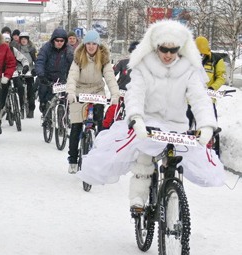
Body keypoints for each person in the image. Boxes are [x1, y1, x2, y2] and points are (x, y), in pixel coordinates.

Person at [77, 20, 225, 211]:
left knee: (176, 159)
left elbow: (199, 98)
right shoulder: (143, 66)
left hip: (176, 124)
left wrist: (206, 125)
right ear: (156, 47)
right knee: (145, 156)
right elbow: (135, 93)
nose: (168, 55)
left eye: (174, 50)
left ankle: (172, 203)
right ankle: (138, 198)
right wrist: (136, 118)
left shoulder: (188, 69)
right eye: (164, 49)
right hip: (149, 122)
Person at [66, 30, 120, 174]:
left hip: (97, 91)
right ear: (84, 44)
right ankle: (72, 160)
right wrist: (71, 92)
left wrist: (115, 95)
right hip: (79, 91)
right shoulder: (78, 57)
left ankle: (100, 156)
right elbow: (72, 76)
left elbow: (110, 77)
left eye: (93, 44)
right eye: (88, 43)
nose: (90, 47)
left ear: (98, 45)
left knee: (100, 123)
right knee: (76, 126)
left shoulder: (103, 58)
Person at [194, 36, 226, 157]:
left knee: (210, 126)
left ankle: (212, 151)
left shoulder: (216, 59)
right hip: (189, 101)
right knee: (185, 126)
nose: (201, 55)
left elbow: (221, 77)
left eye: (203, 53)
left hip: (207, 99)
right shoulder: (189, 59)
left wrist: (212, 88)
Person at [34, 28, 74, 115]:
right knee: (44, 93)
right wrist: (41, 74)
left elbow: (75, 64)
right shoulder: (46, 48)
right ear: (53, 40)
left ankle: (65, 117)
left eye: (62, 40)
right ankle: (44, 110)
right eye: (57, 40)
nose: (59, 42)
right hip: (48, 78)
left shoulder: (69, 50)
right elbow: (40, 61)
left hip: (63, 79)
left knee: (67, 99)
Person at [102, 41, 139, 129]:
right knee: (114, 108)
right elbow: (111, 73)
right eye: (133, 51)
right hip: (121, 90)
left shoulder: (144, 65)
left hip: (135, 93)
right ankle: (104, 127)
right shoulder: (123, 62)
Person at [2, 33, 30, 119]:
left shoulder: (12, 49)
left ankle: (21, 106)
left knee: (20, 87)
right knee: (2, 92)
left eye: (8, 41)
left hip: (13, 73)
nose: (7, 43)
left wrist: (25, 65)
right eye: (5, 41)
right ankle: (3, 109)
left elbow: (23, 58)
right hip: (2, 75)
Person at [18, 32, 37, 118]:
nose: (24, 41)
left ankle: (31, 109)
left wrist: (35, 69)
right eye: (22, 39)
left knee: (30, 91)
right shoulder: (17, 49)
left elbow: (37, 60)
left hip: (29, 72)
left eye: (25, 39)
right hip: (20, 71)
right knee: (19, 90)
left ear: (28, 40)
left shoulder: (32, 49)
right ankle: (20, 108)